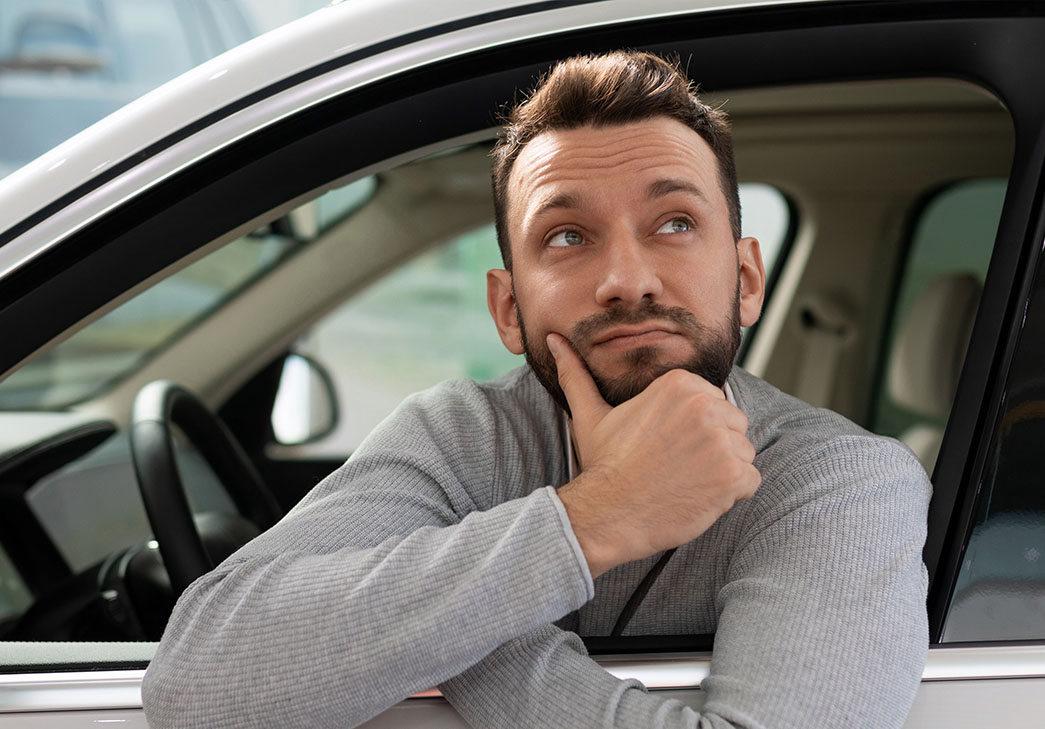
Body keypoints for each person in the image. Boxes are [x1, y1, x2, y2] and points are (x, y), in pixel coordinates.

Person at [143, 51, 930, 729]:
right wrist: (595, 518)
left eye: (675, 223)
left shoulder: (839, 482)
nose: (626, 280)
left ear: (747, 277)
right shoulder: (461, 436)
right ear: (509, 309)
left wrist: (456, 632)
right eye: (566, 236)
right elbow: (199, 681)